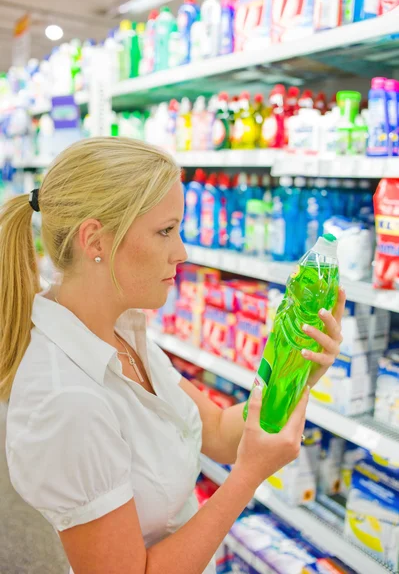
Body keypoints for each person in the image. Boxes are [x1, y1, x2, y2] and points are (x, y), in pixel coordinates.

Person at [1, 137, 345, 574]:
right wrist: (247, 477)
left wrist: (299, 369)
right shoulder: (67, 400)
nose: (181, 252)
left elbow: (218, 432)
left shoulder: (122, 334)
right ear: (95, 240)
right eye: (165, 231)